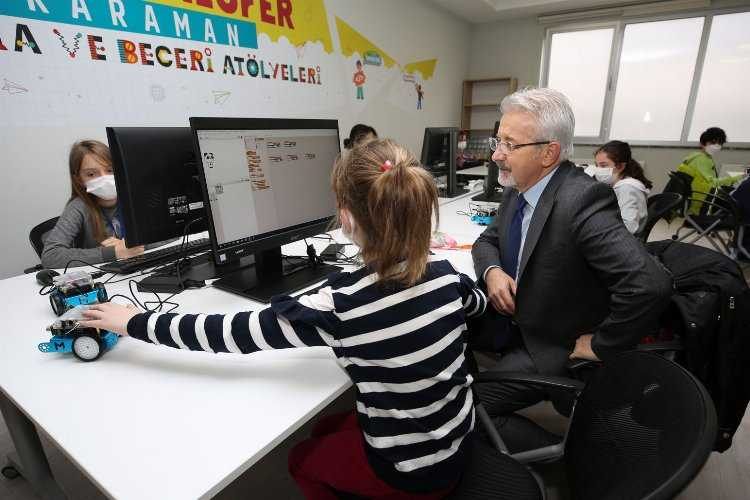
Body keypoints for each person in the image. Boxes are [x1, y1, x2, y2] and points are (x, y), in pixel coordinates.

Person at [81, 139, 488, 499]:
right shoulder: (447, 277)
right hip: (457, 440)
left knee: (301, 457)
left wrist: (132, 320)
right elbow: (477, 305)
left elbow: (226, 334)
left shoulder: (341, 308)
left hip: (411, 475)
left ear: (345, 219)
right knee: (327, 429)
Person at [470, 87, 671, 416]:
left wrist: (598, 345)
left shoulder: (582, 201)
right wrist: (493, 273)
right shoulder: (518, 187)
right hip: (517, 317)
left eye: (510, 144)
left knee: (464, 407)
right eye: (498, 142)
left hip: (549, 343)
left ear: (548, 153)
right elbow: (486, 241)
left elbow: (649, 285)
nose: (496, 156)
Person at [41, 140, 144, 269]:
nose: (104, 178)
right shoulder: (78, 207)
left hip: (138, 268)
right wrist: (115, 252)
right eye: (91, 174)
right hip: (103, 277)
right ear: (79, 180)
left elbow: (169, 235)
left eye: (110, 170)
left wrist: (131, 245)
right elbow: (50, 256)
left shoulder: (133, 198)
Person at [677, 127, 743, 214]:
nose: (716, 146)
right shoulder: (701, 159)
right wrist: (737, 177)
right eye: (713, 142)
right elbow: (712, 184)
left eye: (719, 143)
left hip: (699, 198)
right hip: (703, 202)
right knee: (741, 203)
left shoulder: (696, 157)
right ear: (703, 143)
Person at [592, 140, 652, 234]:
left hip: (623, 243)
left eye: (603, 166)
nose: (598, 170)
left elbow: (629, 227)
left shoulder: (626, 189)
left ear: (620, 166)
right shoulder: (623, 184)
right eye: (597, 165)